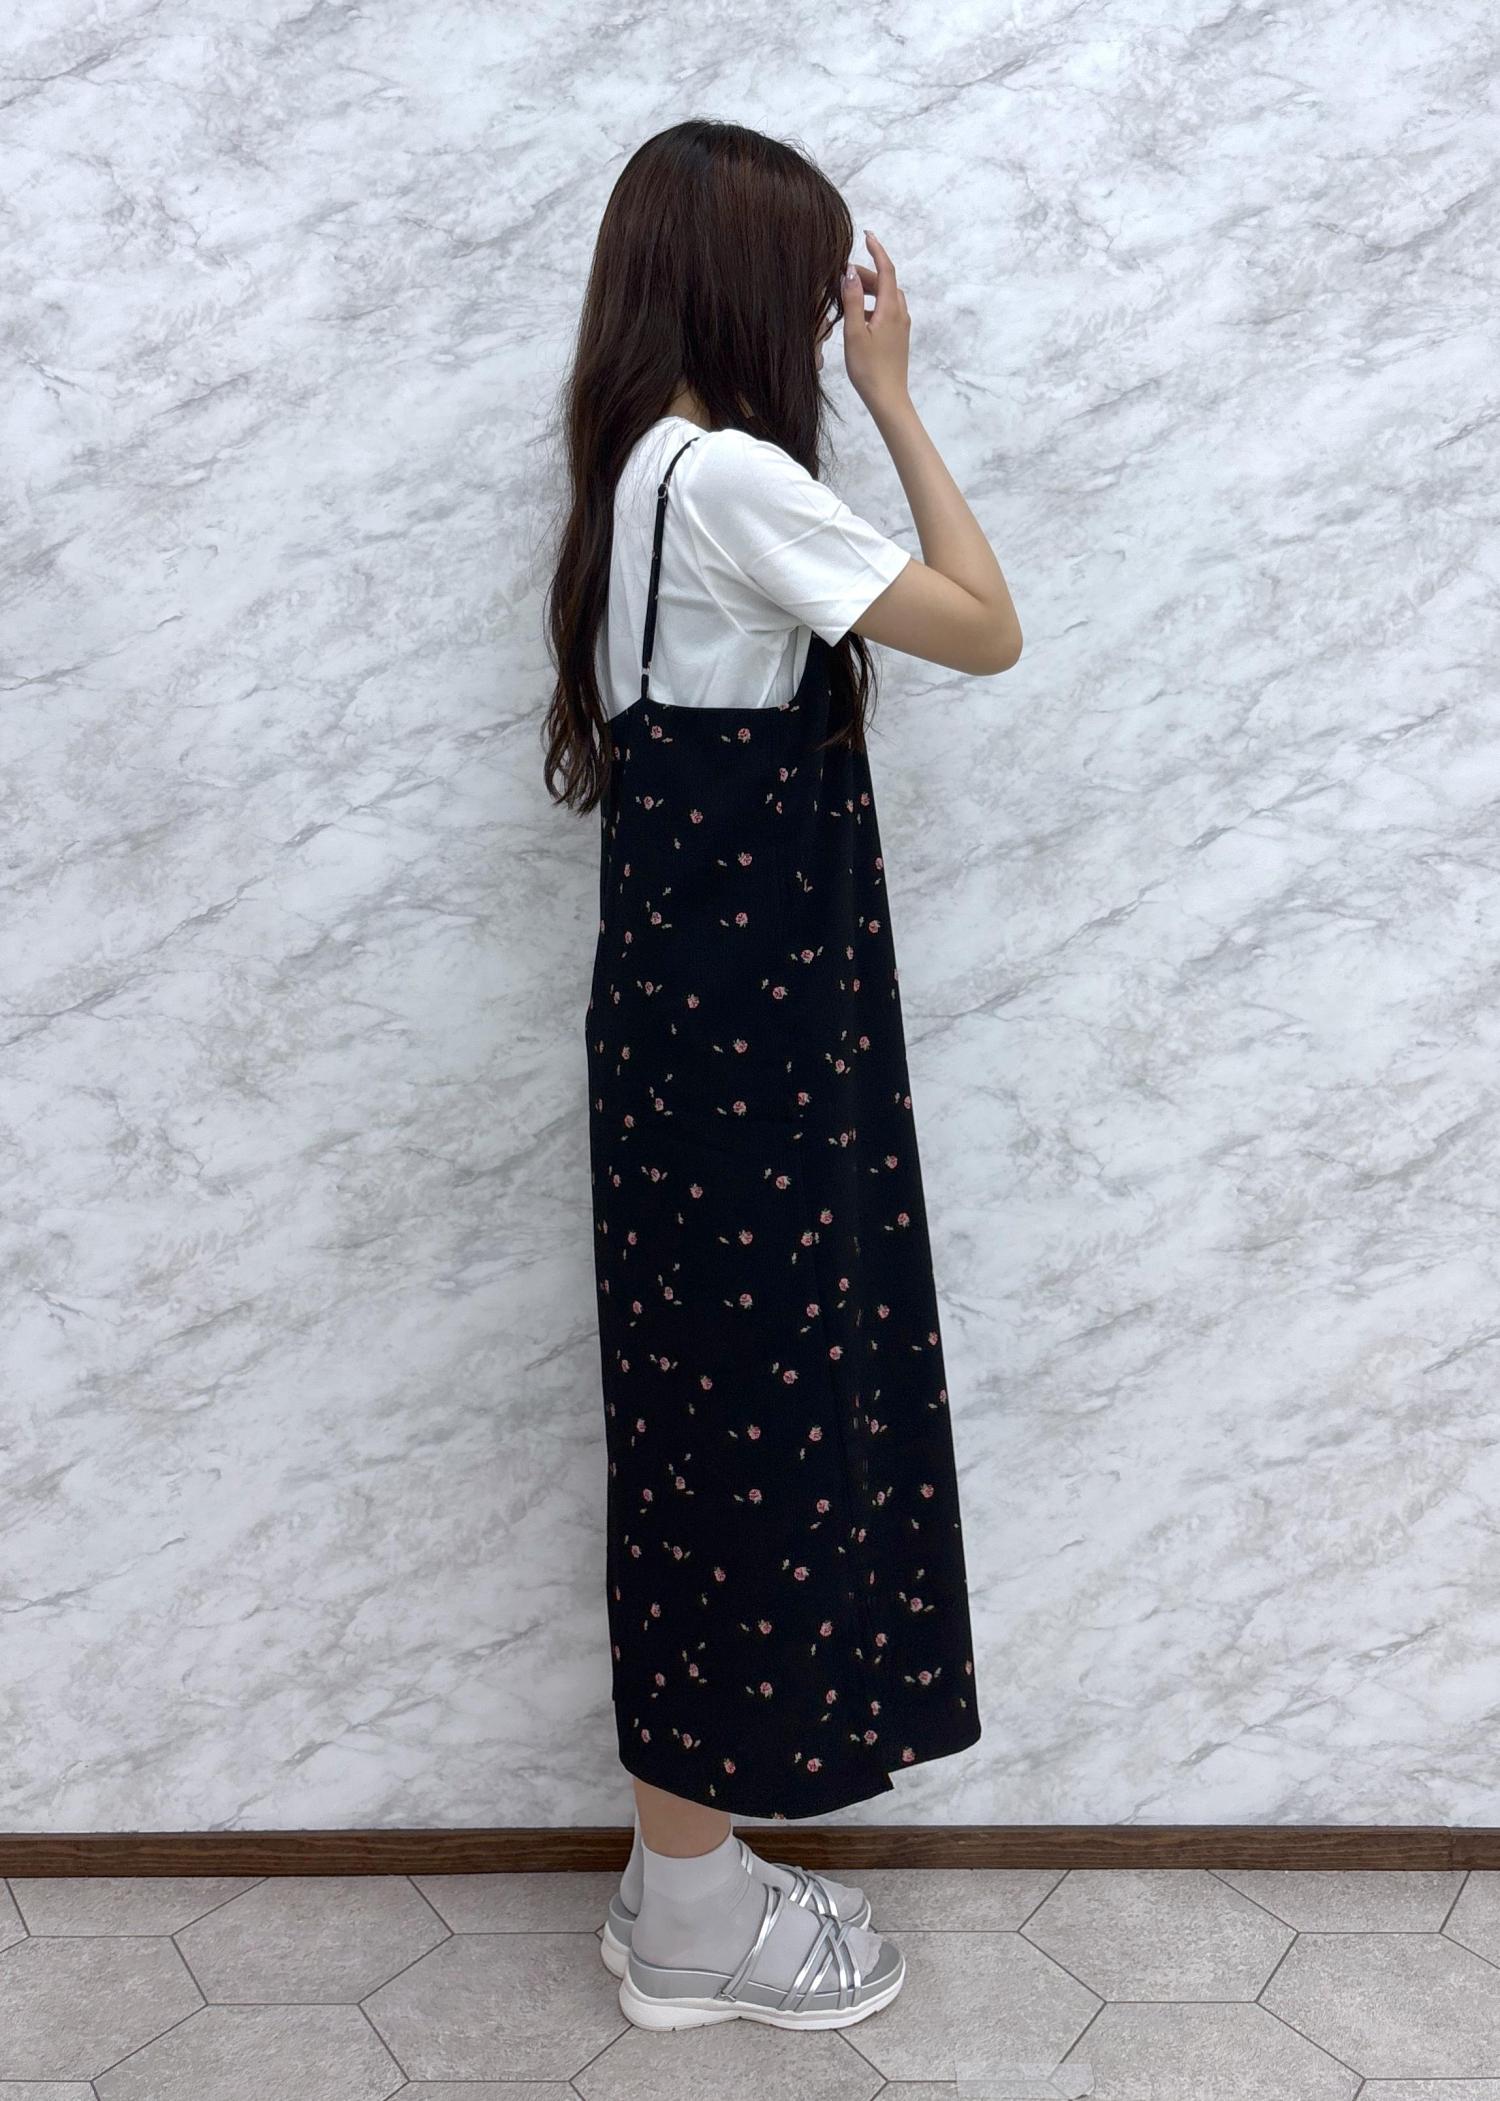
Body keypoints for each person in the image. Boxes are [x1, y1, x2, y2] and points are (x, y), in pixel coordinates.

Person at [543, 119, 1021, 2034]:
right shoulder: (732, 480)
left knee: (701, 1435)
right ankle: (690, 1924)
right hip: (749, 1065)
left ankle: (686, 1869)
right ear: (745, 286)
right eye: (815, 295)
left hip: (693, 1047)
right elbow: (986, 626)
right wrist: (896, 399)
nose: (829, 329)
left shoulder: (634, 480)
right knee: (740, 1440)